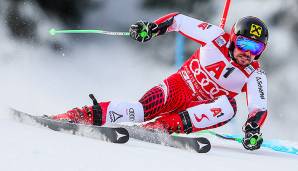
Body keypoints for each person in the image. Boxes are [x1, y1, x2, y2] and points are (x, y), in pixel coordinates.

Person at [50, 13, 269, 151]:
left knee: (228, 108)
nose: (248, 53)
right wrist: (153, 29)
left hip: (200, 108)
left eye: (256, 48)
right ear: (233, 38)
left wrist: (252, 129)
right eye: (244, 44)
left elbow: (258, 108)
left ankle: (159, 128)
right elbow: (178, 21)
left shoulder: (255, 74)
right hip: (178, 87)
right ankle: (80, 115)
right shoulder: (215, 37)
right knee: (139, 110)